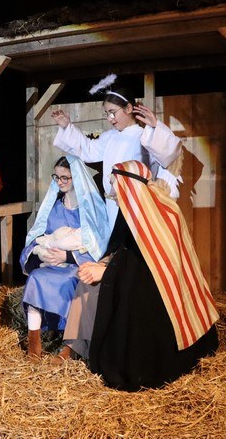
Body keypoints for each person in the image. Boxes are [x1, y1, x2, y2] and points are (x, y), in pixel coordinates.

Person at [52, 74, 183, 361]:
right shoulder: (110, 137)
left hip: (138, 211)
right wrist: (66, 127)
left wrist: (154, 126)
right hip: (113, 210)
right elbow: (88, 151)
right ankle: (84, 341)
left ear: (129, 109)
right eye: (107, 113)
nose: (110, 119)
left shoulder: (144, 136)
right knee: (106, 263)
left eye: (113, 112)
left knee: (128, 266)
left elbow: (169, 156)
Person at [84, 160, 219, 391]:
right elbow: (123, 248)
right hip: (137, 280)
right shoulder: (130, 210)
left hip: (157, 295)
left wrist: (107, 272)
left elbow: (147, 266)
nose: (110, 186)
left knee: (130, 297)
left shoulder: (162, 211)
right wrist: (105, 263)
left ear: (127, 184)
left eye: (114, 181)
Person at [18, 156, 110, 359]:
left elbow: (99, 247)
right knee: (36, 278)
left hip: (77, 266)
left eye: (65, 177)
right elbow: (37, 237)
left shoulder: (90, 210)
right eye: (57, 177)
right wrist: (40, 252)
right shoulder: (54, 208)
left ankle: (71, 345)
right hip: (52, 265)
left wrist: (67, 256)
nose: (60, 182)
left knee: (71, 281)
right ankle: (34, 344)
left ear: (77, 177)